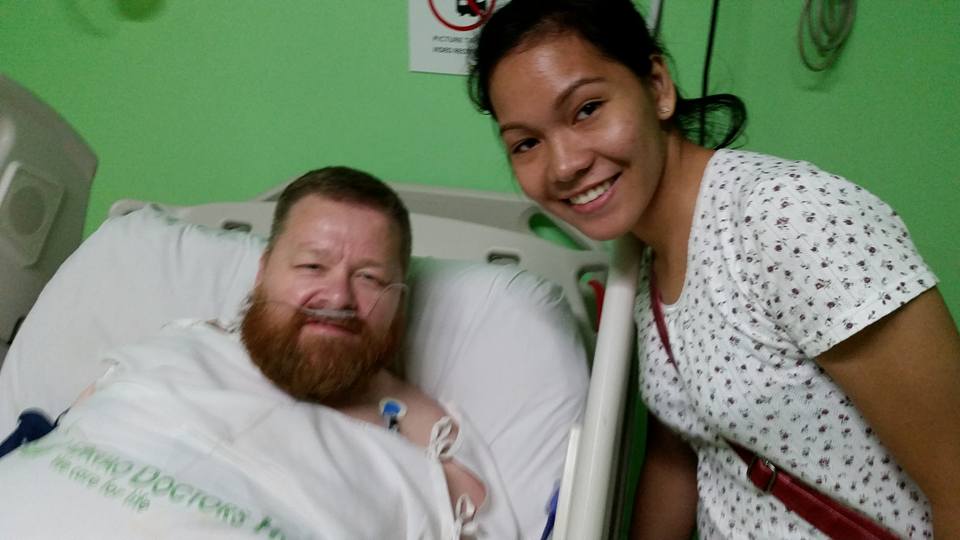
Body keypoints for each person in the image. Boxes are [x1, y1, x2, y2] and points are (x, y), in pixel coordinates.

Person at [467, 1, 960, 538]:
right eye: (527, 143)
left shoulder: (787, 220)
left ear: (657, 87)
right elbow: (681, 453)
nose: (564, 164)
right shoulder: (648, 259)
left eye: (587, 109)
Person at [0, 167, 520, 539]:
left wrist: (378, 385)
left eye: (368, 278)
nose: (337, 297)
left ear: (399, 307)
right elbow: (63, 430)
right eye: (312, 267)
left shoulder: (424, 452)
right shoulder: (177, 347)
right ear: (263, 271)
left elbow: (472, 509)